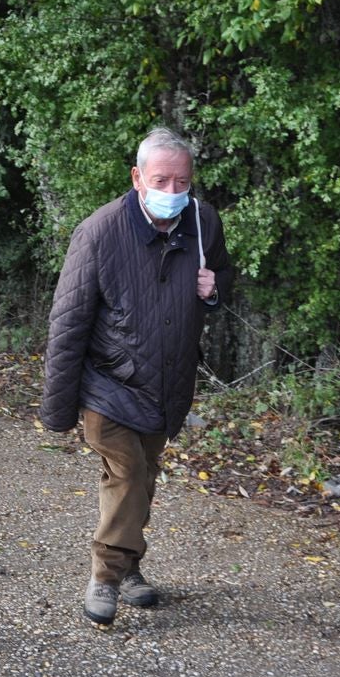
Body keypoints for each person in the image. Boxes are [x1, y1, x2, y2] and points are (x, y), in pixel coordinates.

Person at [38, 127, 234, 627]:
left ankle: (129, 568)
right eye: (161, 180)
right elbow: (68, 323)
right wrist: (57, 410)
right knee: (127, 475)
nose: (173, 192)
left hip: (167, 384)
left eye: (182, 182)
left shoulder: (202, 222)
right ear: (137, 177)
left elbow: (221, 282)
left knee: (141, 480)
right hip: (109, 385)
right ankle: (105, 576)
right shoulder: (99, 232)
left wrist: (214, 291)